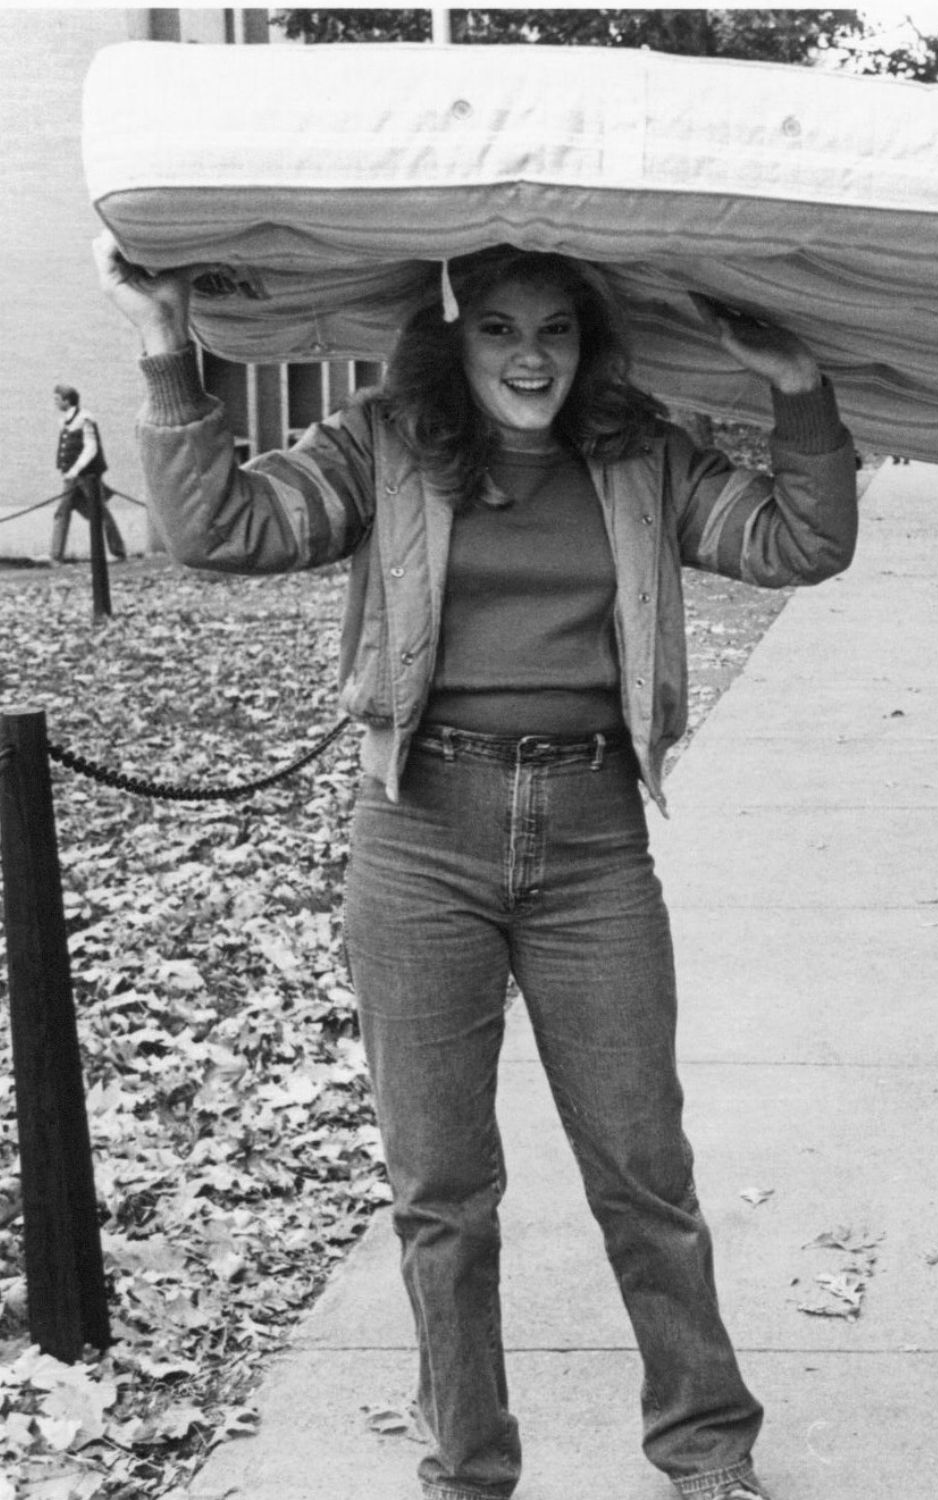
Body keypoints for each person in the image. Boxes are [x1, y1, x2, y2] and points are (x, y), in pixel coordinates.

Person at [96, 233, 860, 1500]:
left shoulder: (639, 455)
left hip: (592, 835)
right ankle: (469, 1466)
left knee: (641, 1170)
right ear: (453, 335)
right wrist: (163, 349)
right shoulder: (383, 443)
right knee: (441, 1190)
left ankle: (706, 1449)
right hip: (420, 836)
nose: (529, 356)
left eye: (555, 330)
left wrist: (796, 388)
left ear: (589, 342)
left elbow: (799, 542)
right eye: (501, 328)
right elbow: (223, 531)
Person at [50, 382, 127, 562]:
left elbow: (91, 448)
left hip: (87, 476)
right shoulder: (64, 421)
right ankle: (55, 556)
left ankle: (118, 551)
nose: (55, 403)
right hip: (71, 477)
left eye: (57, 399)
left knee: (100, 512)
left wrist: (76, 469)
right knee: (62, 512)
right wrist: (67, 471)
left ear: (67, 400)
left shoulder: (85, 418)